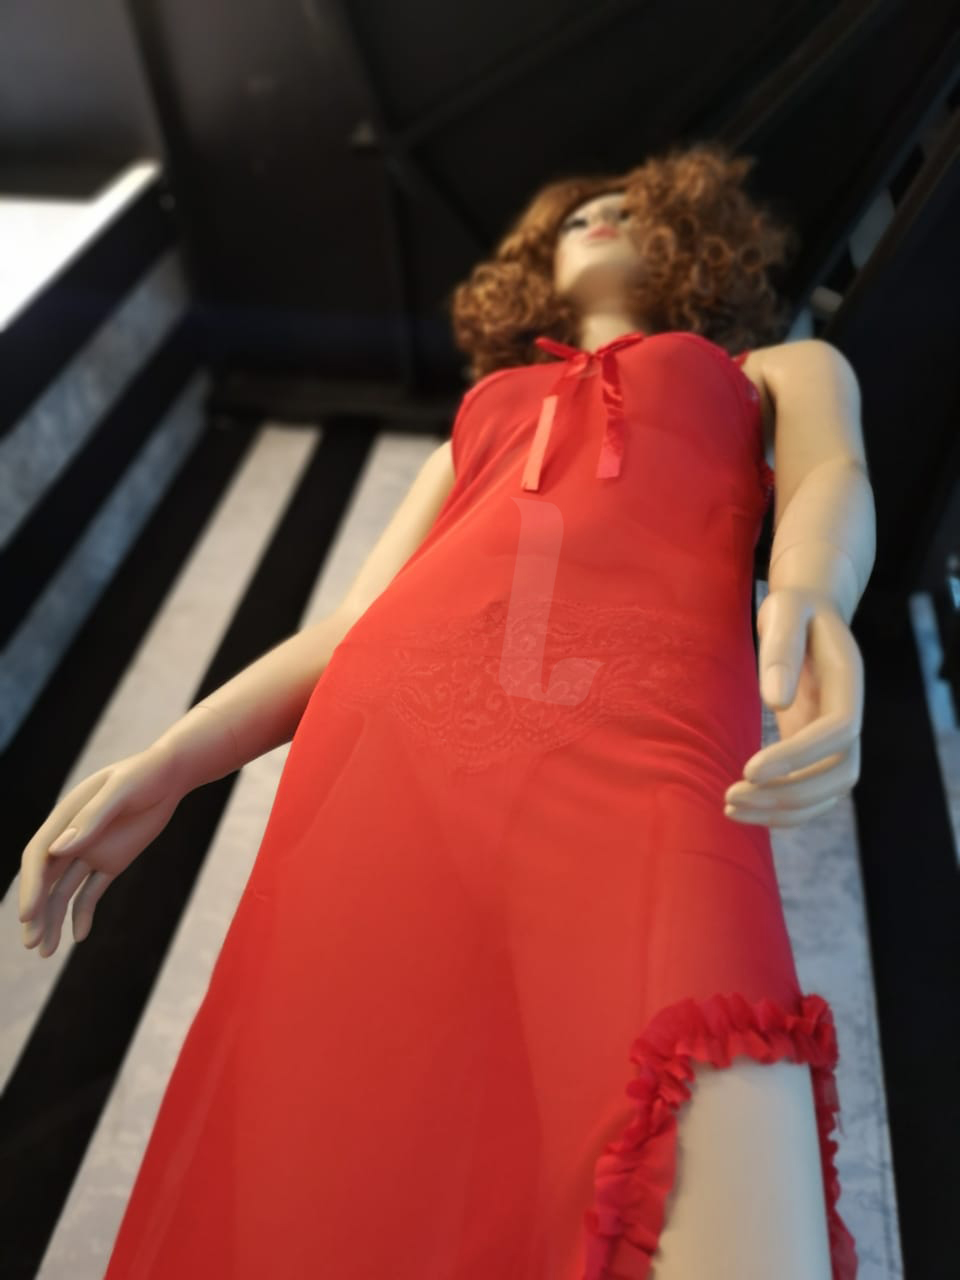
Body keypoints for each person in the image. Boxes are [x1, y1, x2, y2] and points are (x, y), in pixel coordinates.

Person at [19, 140, 871, 1278]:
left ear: (689, 239)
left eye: (629, 207)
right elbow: (353, 624)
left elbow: (830, 481)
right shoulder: (483, 410)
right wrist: (175, 756)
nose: (600, 217)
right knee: (344, 1152)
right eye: (575, 215)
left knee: (739, 1175)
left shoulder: (779, 369)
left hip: (652, 748)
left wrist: (815, 595)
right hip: (400, 756)